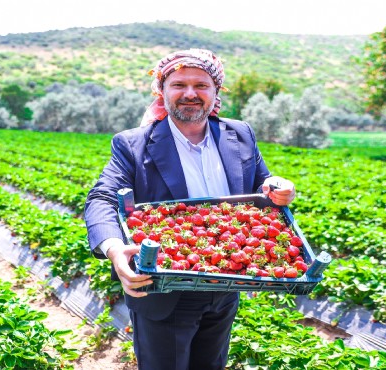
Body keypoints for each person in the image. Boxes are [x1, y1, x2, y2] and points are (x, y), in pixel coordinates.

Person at [84, 48, 296, 370]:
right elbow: (101, 198)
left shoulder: (240, 135)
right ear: (162, 91)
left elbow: (261, 185)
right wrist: (114, 249)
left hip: (226, 285)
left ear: (215, 91)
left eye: (201, 85)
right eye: (179, 85)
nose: (190, 94)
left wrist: (277, 186)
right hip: (164, 292)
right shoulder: (132, 144)